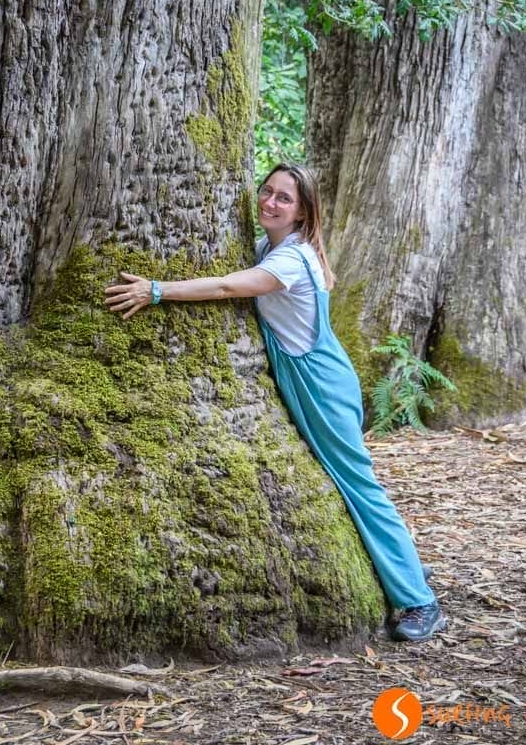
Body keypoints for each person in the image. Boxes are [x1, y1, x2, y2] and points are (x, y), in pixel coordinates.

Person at [104, 163, 447, 643]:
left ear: (303, 211)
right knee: (345, 483)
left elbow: (225, 286)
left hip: (322, 385)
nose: (269, 202)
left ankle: (419, 600)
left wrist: (155, 290)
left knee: (357, 485)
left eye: (284, 198)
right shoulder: (273, 246)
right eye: (266, 191)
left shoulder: (291, 260)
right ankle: (401, 562)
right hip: (304, 376)